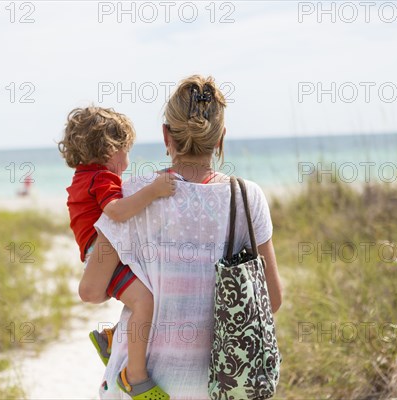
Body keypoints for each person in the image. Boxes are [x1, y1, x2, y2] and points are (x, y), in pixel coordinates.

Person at [79, 75, 283, 399]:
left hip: (140, 388)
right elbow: (271, 299)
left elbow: (90, 290)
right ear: (220, 139)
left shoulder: (132, 195)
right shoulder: (248, 197)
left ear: (165, 135)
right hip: (217, 385)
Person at [58, 106, 176, 399]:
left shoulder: (82, 177)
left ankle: (112, 337)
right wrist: (154, 191)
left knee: (145, 286)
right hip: (103, 253)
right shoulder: (101, 178)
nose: (127, 160)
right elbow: (116, 212)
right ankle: (134, 377)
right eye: (126, 150)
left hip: (97, 253)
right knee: (145, 302)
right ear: (110, 150)